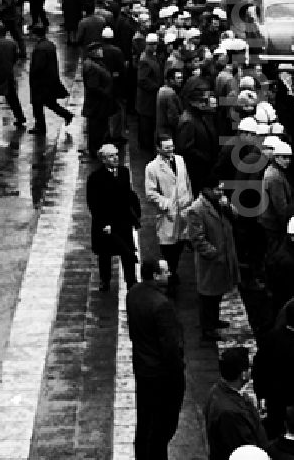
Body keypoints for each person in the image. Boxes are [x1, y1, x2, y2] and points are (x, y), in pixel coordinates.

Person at [125, 258, 185, 460]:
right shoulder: (162, 305)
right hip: (160, 374)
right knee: (162, 427)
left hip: (142, 368)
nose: (169, 275)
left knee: (144, 421)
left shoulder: (133, 293)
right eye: (165, 272)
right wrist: (178, 377)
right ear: (155, 275)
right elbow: (170, 348)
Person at [253, 299, 294, 439]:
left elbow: (258, 366)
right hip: (286, 400)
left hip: (270, 395)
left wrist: (260, 394)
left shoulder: (272, 336)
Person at [186, 180, 240, 343]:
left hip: (225, 256)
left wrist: (228, 206)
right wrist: (213, 254)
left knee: (217, 294)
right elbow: (197, 239)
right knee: (208, 296)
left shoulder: (220, 203)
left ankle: (215, 320)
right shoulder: (197, 209)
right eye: (217, 189)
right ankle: (207, 328)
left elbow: (235, 216)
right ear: (207, 189)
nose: (221, 192)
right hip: (211, 261)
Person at [143, 133, 194, 298]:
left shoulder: (180, 160)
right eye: (166, 148)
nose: (170, 150)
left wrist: (190, 201)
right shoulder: (152, 168)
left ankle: (173, 271)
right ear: (158, 149)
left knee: (180, 243)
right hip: (167, 214)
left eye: (171, 146)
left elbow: (186, 181)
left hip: (184, 210)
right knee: (168, 247)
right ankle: (169, 277)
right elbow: (150, 193)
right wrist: (165, 204)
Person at [86, 143, 140, 291]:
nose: (115, 158)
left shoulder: (124, 172)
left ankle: (131, 280)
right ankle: (105, 280)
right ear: (103, 159)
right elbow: (93, 204)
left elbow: (128, 195)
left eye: (116, 155)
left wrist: (134, 215)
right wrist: (103, 223)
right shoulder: (95, 178)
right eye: (111, 156)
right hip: (106, 223)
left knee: (128, 253)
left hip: (123, 220)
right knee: (105, 254)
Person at [204, 346, 269, 460]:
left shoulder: (217, 390)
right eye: (249, 367)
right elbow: (246, 450)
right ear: (243, 374)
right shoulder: (230, 413)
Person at [28, 29, 74, 135]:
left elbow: (38, 66)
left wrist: (33, 75)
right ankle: (66, 115)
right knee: (50, 103)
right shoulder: (49, 45)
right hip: (49, 80)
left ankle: (40, 126)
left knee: (37, 104)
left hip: (40, 82)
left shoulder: (40, 48)